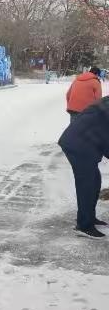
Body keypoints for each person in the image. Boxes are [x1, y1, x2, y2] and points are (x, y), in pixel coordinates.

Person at [58, 96, 109, 239]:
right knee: (87, 185)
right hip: (78, 145)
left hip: (83, 142)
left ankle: (89, 218)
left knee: (95, 180)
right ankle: (84, 225)